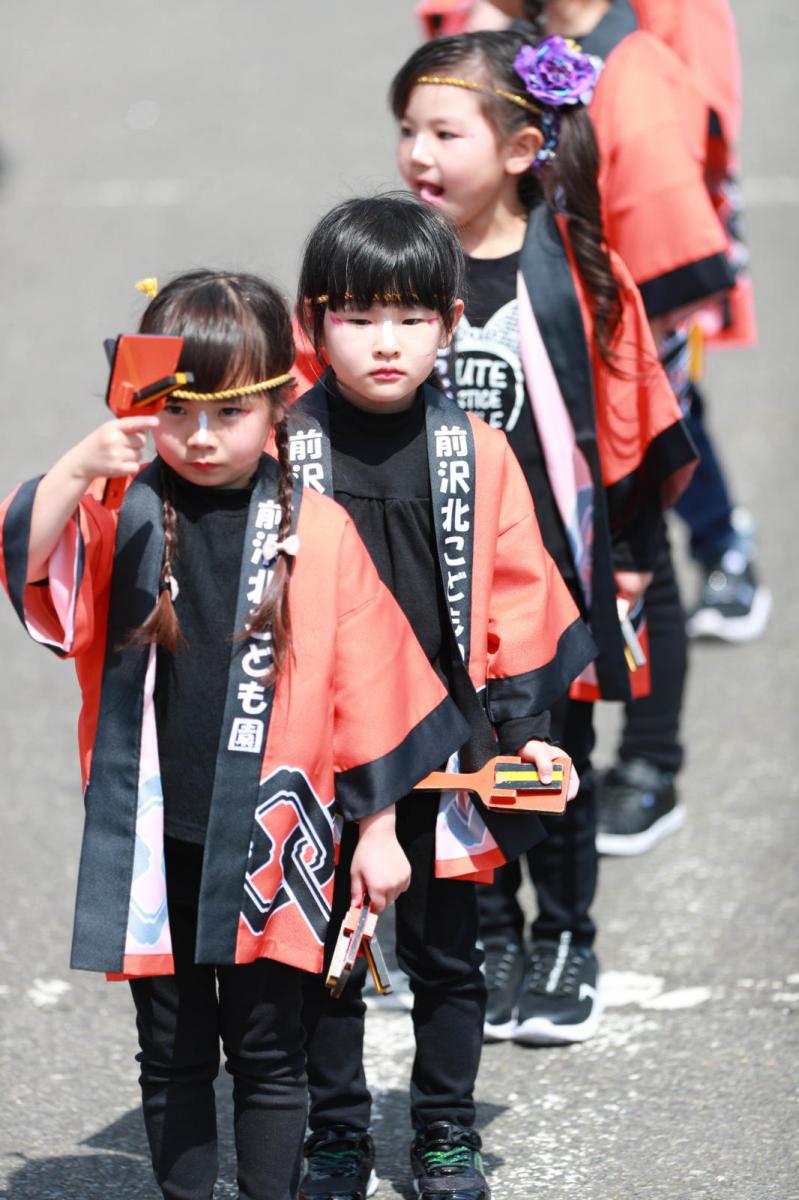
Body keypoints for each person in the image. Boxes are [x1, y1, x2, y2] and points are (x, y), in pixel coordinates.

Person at [0, 269, 472, 1200]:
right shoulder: (122, 510)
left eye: (229, 414)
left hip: (272, 841)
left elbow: (370, 687)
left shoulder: (319, 527)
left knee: (269, 1051)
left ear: (278, 405)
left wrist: (377, 834)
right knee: (170, 1051)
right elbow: (27, 562)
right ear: (144, 408)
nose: (203, 438)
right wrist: (74, 468)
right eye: (177, 413)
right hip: (155, 838)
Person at [391, 30, 697, 1042]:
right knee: (453, 764)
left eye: (443, 131)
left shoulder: (575, 270)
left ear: (524, 149)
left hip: (553, 582)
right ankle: (486, 927)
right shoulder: (399, 270)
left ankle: (566, 934)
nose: (418, 155)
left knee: (552, 765)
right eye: (406, 133)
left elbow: (633, 421)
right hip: (433, 577)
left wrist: (628, 560)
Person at [291, 194, 596, 1200]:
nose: (386, 343)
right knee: (327, 954)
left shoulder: (477, 449)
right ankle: (334, 1131)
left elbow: (516, 593)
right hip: (317, 744)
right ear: (309, 322)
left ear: (450, 325)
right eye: (357, 316)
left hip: (440, 744)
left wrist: (528, 732)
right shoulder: (284, 450)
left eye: (412, 318)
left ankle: (444, 1130)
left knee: (446, 953)